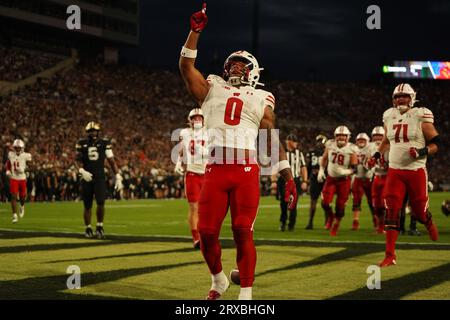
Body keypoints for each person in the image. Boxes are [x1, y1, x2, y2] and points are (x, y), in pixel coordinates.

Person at [179, 3, 298, 300]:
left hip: (245, 169)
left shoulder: (261, 97)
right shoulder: (213, 87)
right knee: (206, 232)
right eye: (232, 63)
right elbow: (185, 67)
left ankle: (246, 292)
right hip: (216, 168)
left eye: (242, 65)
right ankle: (219, 279)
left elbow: (270, 138)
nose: (235, 67)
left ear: (253, 73)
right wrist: (194, 33)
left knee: (243, 230)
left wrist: (288, 175)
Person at [377, 83, 440, 267]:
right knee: (391, 211)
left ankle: (427, 222)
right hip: (395, 171)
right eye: (397, 97)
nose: (400, 99)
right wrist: (376, 154)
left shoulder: (421, 115)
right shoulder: (389, 115)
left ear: (412, 98)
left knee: (419, 212)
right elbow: (386, 139)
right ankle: (390, 255)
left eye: (404, 96)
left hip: (416, 171)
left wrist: (421, 152)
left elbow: (436, 143)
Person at [75, 122, 123, 239]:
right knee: (87, 205)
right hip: (86, 176)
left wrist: (117, 174)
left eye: (95, 131)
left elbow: (111, 160)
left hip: (100, 177)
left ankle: (100, 226)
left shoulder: (104, 143)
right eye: (91, 131)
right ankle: (88, 228)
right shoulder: (82, 143)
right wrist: (82, 171)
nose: (93, 133)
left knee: (101, 202)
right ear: (88, 132)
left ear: (98, 131)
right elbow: (76, 161)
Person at [175, 108, 208, 249]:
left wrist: (204, 152)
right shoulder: (185, 133)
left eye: (199, 117)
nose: (197, 120)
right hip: (192, 174)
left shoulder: (210, 132)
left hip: (208, 174)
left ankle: (206, 235)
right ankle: (196, 237)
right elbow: (182, 150)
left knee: (206, 208)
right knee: (194, 207)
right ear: (190, 120)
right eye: (194, 118)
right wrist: (178, 161)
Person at [318, 125, 358, 236]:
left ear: (348, 137)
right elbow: (324, 158)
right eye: (339, 135)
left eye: (343, 136)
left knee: (340, 206)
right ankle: (330, 216)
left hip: (344, 181)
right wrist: (321, 170)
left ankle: (336, 224)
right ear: (335, 136)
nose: (341, 138)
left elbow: (355, 168)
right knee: (325, 203)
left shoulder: (352, 148)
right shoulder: (330, 144)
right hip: (331, 178)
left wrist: (346, 172)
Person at [275, 134, 307, 231]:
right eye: (294, 141)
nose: (296, 143)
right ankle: (283, 222)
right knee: (283, 202)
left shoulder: (299, 153)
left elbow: (303, 167)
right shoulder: (281, 153)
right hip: (283, 180)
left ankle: (291, 224)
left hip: (295, 180)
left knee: (293, 203)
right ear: (288, 141)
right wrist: (274, 180)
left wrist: (305, 181)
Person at [367, 126, 389, 234]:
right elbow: (366, 163)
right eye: (375, 136)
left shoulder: (390, 145)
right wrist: (369, 165)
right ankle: (380, 228)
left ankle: (390, 227)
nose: (377, 139)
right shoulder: (369, 147)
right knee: (376, 205)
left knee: (387, 204)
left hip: (388, 177)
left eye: (380, 136)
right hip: (376, 177)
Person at [5, 139, 32, 223]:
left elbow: (31, 167)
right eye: (16, 147)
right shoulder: (10, 154)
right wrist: (8, 170)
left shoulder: (26, 155)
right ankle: (14, 215)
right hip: (14, 178)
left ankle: (22, 205)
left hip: (22, 178)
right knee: (13, 196)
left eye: (19, 147)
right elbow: (8, 164)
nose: (17, 149)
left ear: (22, 148)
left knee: (22, 197)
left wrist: (24, 170)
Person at [351, 132, 374, 230]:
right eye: (359, 140)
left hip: (369, 177)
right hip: (358, 178)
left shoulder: (372, 149)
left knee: (372, 201)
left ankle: (376, 219)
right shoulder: (353, 149)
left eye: (363, 140)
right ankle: (355, 220)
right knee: (356, 200)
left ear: (367, 141)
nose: (361, 142)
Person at [305, 134, 327, 229]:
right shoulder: (313, 152)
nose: (319, 143)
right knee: (314, 201)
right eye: (318, 141)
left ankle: (326, 221)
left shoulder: (313, 152)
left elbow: (308, 167)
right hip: (316, 179)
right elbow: (308, 166)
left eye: (320, 141)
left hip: (324, 179)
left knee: (325, 201)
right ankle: (310, 222)